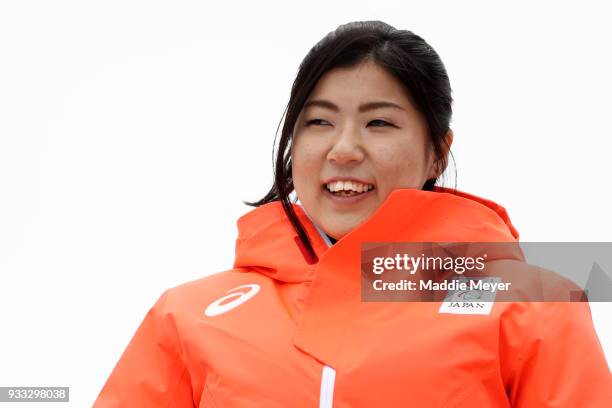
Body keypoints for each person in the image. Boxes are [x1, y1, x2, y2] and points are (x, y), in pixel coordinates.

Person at [93, 20, 611, 407]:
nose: (343, 150)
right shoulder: (188, 315)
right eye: (318, 122)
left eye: (379, 124)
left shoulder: (534, 305)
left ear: (438, 152)